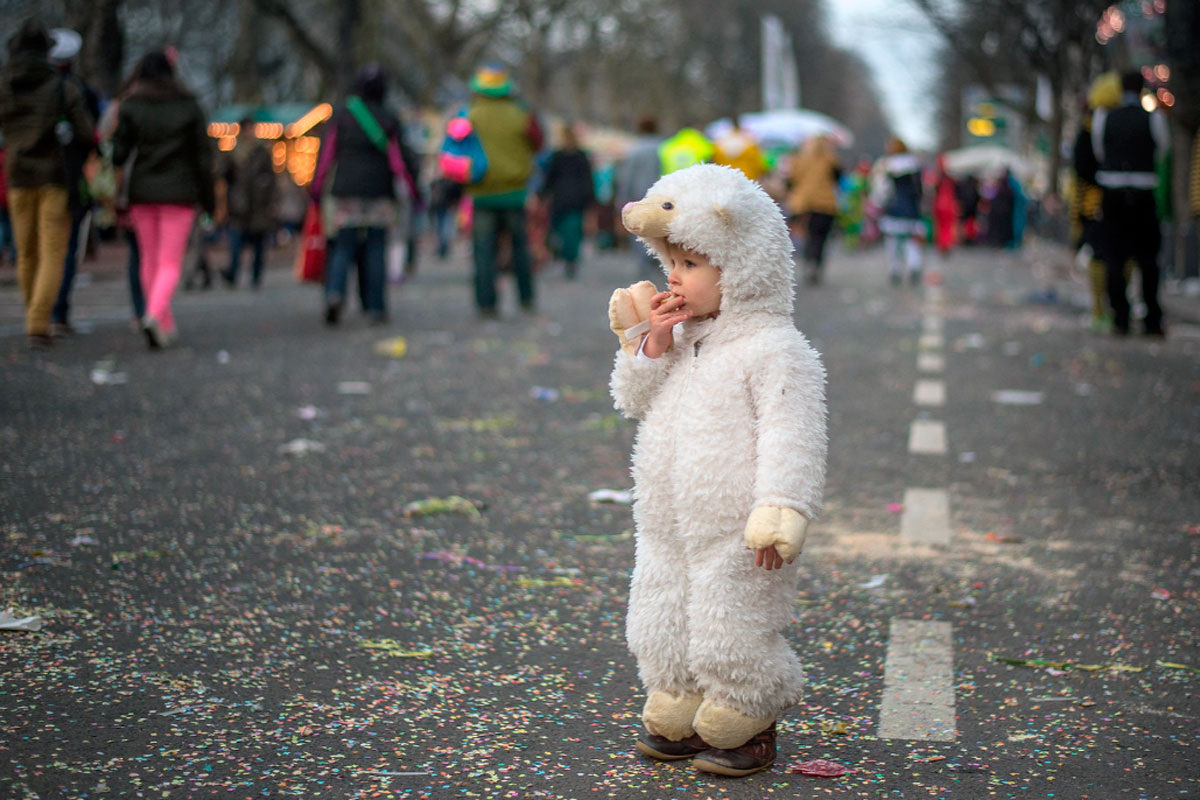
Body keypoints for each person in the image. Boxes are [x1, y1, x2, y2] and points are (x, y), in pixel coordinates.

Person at [610, 164, 827, 777]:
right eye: (669, 263)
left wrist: (782, 502)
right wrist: (648, 342)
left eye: (689, 265)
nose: (673, 277)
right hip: (665, 521)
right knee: (660, 611)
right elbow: (631, 399)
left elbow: (794, 431)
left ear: (739, 268)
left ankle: (747, 712)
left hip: (736, 529)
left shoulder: (774, 348)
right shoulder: (680, 337)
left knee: (733, 623)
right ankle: (678, 696)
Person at [0, 18, 96, 349]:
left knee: (25, 251)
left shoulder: (4, 84)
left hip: (17, 175)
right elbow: (86, 132)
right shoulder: (60, 87)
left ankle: (34, 315)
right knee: (52, 250)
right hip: (55, 176)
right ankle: (39, 321)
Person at [111, 49, 215, 349]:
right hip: (179, 193)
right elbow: (203, 158)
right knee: (169, 262)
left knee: (149, 259)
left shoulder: (132, 105)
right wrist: (209, 200)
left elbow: (118, 153)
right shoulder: (188, 105)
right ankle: (156, 315)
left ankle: (160, 321)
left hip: (142, 191)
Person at [310, 64, 418, 326]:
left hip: (346, 192)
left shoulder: (342, 115)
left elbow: (325, 157)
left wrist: (315, 189)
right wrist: (414, 191)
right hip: (379, 192)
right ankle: (376, 307)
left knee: (342, 247)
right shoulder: (389, 117)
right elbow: (401, 160)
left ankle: (335, 293)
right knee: (376, 249)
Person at [1093, 70, 1169, 336]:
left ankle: (1120, 317)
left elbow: (1100, 151)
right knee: (1148, 259)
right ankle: (1151, 318)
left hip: (1112, 192)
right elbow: (1161, 151)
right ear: (1141, 89)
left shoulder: (1104, 117)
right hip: (1143, 192)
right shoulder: (1154, 118)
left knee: (1115, 258)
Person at [464, 63, 543, 318]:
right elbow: (538, 143)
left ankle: (486, 303)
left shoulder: (469, 115)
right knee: (520, 248)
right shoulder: (522, 114)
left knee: (484, 251)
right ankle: (526, 298)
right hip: (515, 193)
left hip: (481, 193)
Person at [48, 27, 100, 336]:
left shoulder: (18, 87)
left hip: (24, 178)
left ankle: (40, 312)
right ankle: (57, 311)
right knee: (64, 247)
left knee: (32, 249)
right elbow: (89, 133)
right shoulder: (79, 90)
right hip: (67, 177)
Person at [1070, 72, 1122, 333]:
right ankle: (1117, 308)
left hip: (1096, 203)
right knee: (1123, 255)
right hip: (1125, 201)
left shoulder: (1092, 127)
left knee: (1100, 255)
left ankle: (1101, 309)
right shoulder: (1132, 119)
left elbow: (1081, 169)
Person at [219, 116, 277, 289]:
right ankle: (233, 273)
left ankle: (256, 276)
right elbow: (225, 175)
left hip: (259, 204)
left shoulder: (261, 151)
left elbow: (270, 178)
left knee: (259, 244)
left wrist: (269, 199)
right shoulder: (233, 151)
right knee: (235, 242)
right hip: (239, 204)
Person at [539, 123, 594, 279]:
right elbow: (587, 180)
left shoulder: (558, 156)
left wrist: (543, 195)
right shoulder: (581, 156)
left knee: (562, 231)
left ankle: (565, 256)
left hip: (561, 198)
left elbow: (549, 179)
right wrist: (590, 198)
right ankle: (570, 258)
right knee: (573, 232)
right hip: (576, 199)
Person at [786, 134, 840, 286]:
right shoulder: (830, 158)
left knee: (809, 235)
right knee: (821, 237)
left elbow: (791, 180)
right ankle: (816, 262)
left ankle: (810, 261)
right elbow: (837, 177)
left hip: (804, 203)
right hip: (826, 203)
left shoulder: (799, 159)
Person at [614, 115, 663, 277]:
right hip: (661, 194)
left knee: (639, 229)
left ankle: (644, 261)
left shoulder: (634, 150)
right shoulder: (664, 147)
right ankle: (659, 259)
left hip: (638, 195)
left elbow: (626, 176)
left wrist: (622, 198)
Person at [873, 138, 924, 286]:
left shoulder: (887, 166)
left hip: (893, 209)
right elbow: (919, 191)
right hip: (912, 210)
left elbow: (882, 190)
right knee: (911, 242)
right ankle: (914, 265)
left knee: (892, 242)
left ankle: (895, 269)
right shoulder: (914, 165)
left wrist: (879, 204)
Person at [713, 116, 766, 181]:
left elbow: (716, 161)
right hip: (749, 178)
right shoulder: (749, 141)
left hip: (726, 178)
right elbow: (759, 164)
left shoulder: (720, 142)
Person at [931, 154, 960, 257]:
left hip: (941, 205)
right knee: (946, 226)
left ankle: (944, 245)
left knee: (943, 226)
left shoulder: (938, 177)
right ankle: (945, 244)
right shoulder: (948, 177)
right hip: (947, 205)